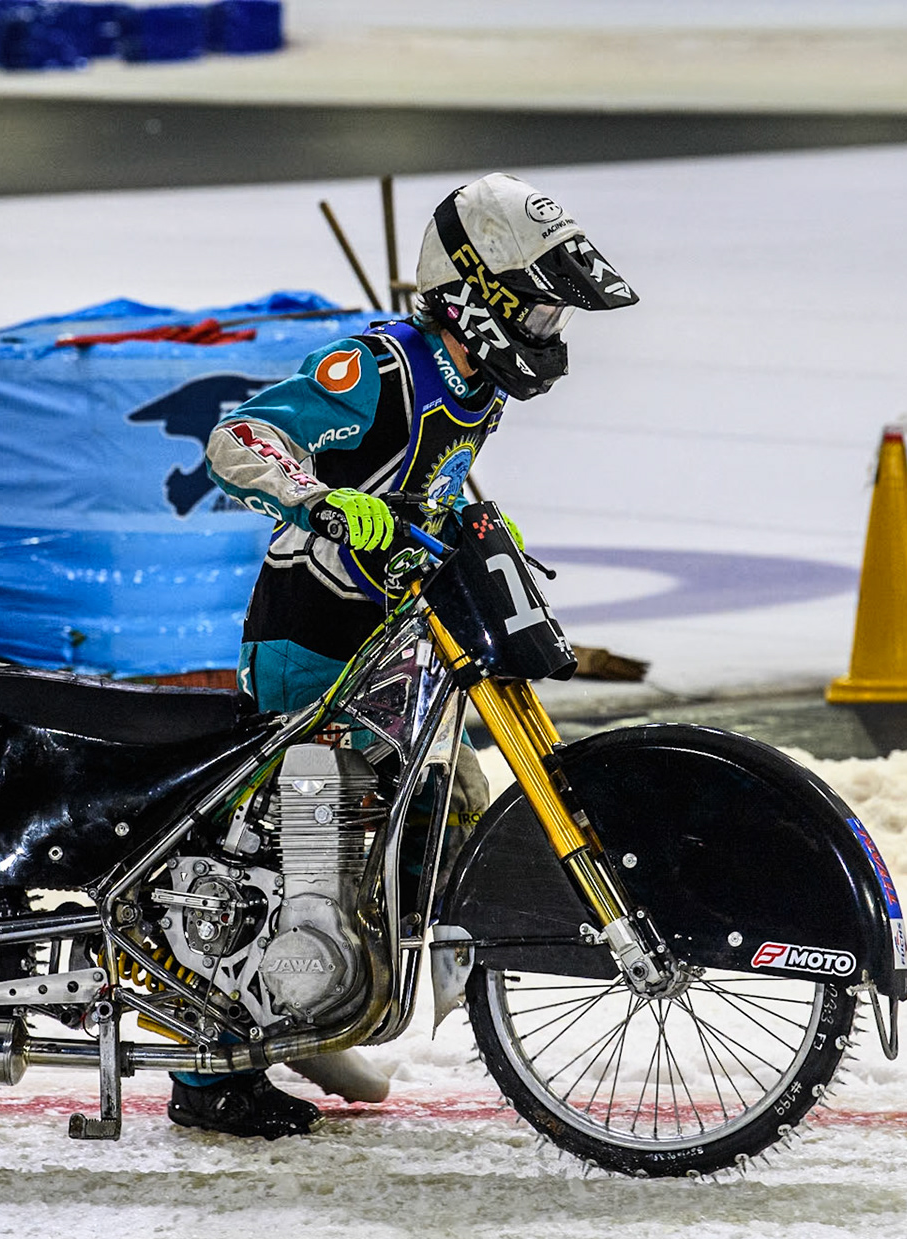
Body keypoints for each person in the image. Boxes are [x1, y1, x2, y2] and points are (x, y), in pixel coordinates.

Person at [186, 173, 639, 1138]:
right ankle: (211, 1064)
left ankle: (318, 1005)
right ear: (482, 293)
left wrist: (479, 523)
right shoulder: (383, 370)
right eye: (545, 304)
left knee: (441, 814)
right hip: (315, 640)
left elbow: (437, 480)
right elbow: (237, 438)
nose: (555, 328)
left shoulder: (476, 385)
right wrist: (318, 499)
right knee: (290, 847)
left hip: (395, 649)